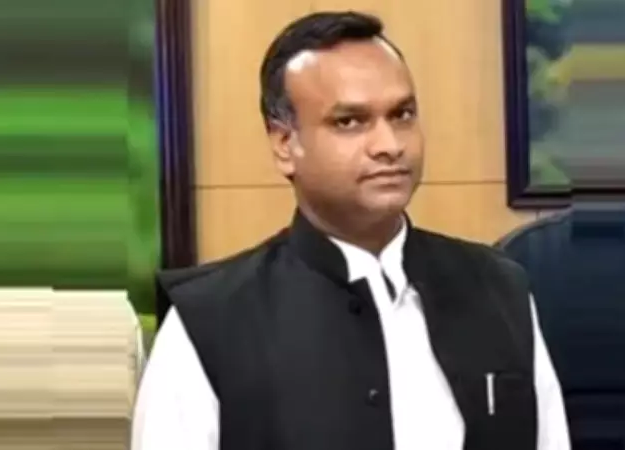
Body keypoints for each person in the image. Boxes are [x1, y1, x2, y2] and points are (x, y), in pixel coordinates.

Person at [131, 11, 571, 450]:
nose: (389, 145)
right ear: (285, 144)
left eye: (402, 115)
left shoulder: (500, 290)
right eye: (349, 122)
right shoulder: (208, 323)